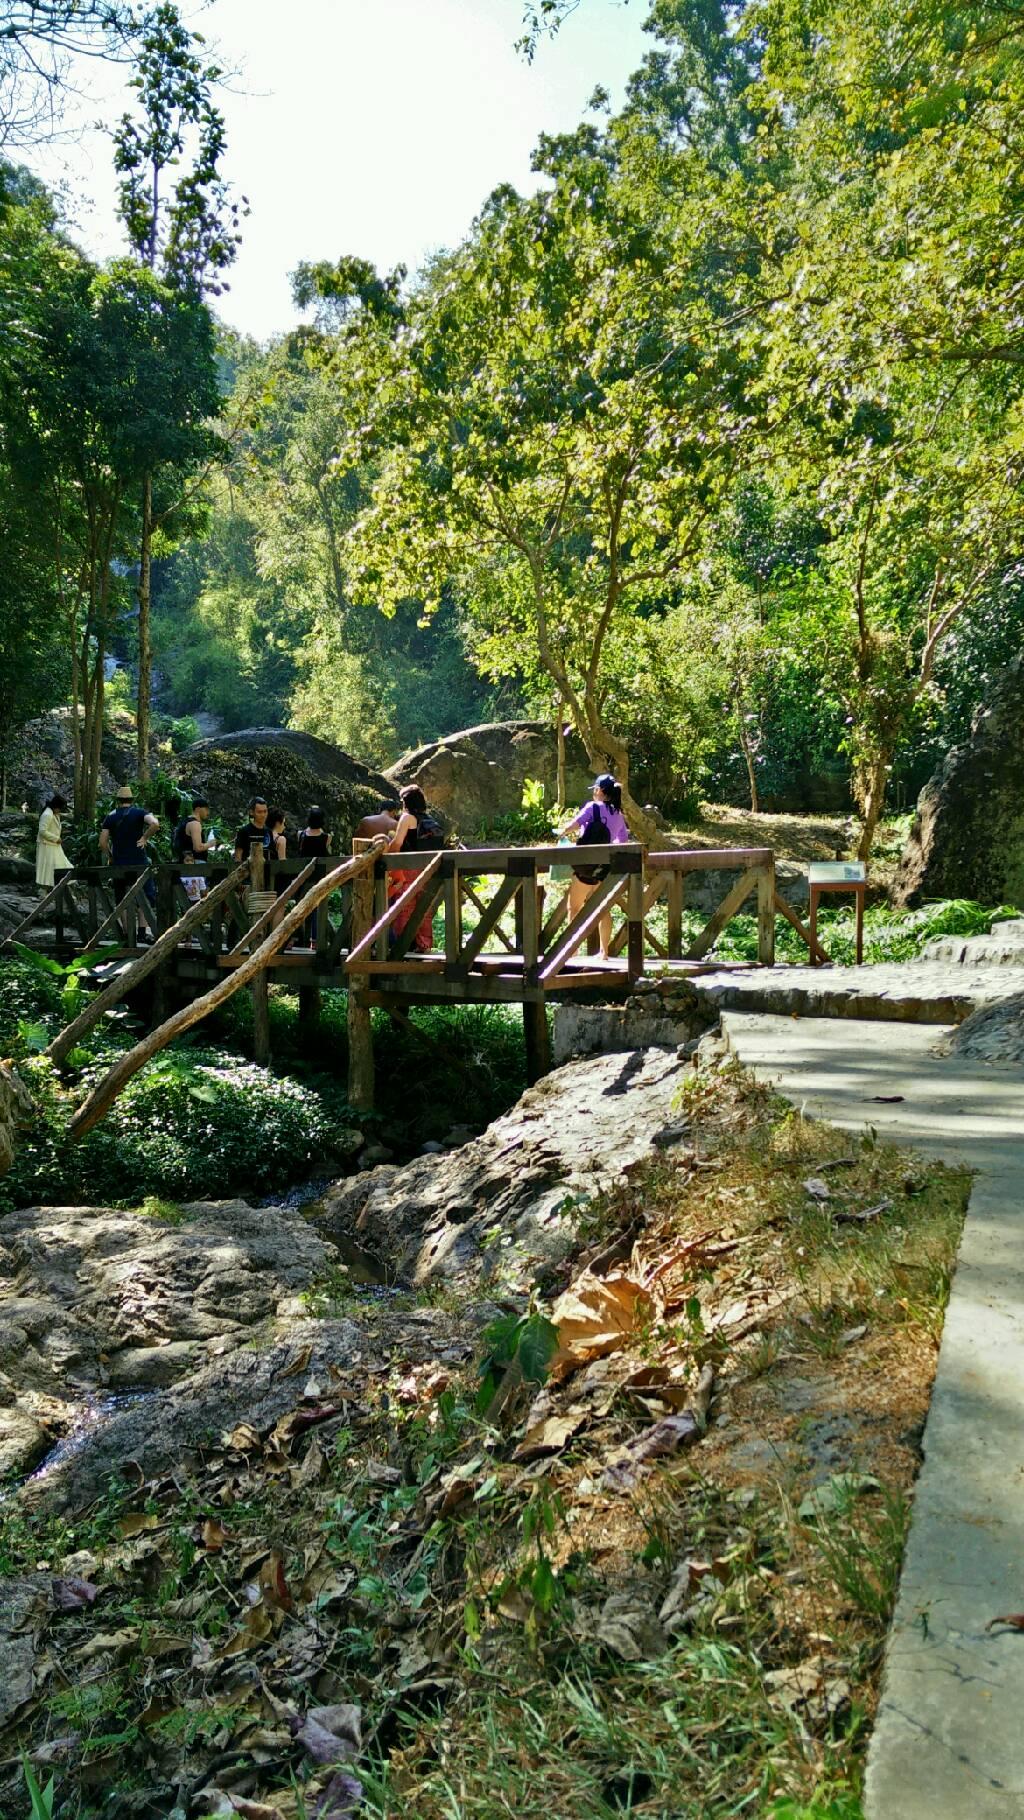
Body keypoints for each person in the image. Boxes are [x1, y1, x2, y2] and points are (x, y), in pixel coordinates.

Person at [560, 773, 631, 961]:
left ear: (599, 790)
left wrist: (561, 832)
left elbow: (572, 826)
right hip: (602, 870)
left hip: (585, 868)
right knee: (602, 910)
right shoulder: (618, 815)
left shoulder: (593, 807)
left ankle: (572, 952)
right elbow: (622, 841)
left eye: (595, 790)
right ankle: (604, 952)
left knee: (573, 908)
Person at [386, 785, 444, 953]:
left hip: (410, 868)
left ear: (406, 802)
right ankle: (424, 945)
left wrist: (386, 859)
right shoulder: (428, 819)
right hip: (428, 869)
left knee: (405, 904)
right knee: (423, 908)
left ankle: (405, 943)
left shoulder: (407, 818)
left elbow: (397, 843)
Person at [99, 785, 159, 939]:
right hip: (138, 860)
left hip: (119, 862)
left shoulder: (111, 816)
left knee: (121, 897)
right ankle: (141, 933)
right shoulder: (139, 813)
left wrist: (110, 856)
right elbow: (155, 824)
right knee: (145, 895)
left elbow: (103, 842)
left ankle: (127, 934)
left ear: (118, 800)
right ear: (132, 800)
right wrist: (145, 838)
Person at [297, 807, 332, 944]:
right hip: (319, 878)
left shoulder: (301, 835)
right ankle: (315, 940)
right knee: (318, 908)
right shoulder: (326, 838)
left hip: (303, 878)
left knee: (300, 907)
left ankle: (296, 938)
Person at [173, 795, 215, 904]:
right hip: (195, 864)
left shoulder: (184, 822)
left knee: (190, 899)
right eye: (206, 809)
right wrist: (211, 843)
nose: (208, 812)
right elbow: (198, 847)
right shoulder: (195, 823)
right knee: (199, 899)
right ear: (198, 809)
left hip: (185, 863)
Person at [36, 792, 71, 891]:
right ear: (56, 806)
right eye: (60, 808)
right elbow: (42, 831)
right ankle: (44, 889)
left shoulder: (54, 813)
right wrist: (56, 838)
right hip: (47, 844)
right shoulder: (47, 814)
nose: (60, 811)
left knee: (61, 865)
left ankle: (57, 887)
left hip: (53, 845)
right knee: (47, 868)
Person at [233, 796, 272, 866]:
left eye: (265, 811)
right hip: (248, 871)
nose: (263, 815)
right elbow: (238, 857)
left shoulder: (268, 831)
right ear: (251, 812)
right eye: (259, 812)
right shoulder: (244, 831)